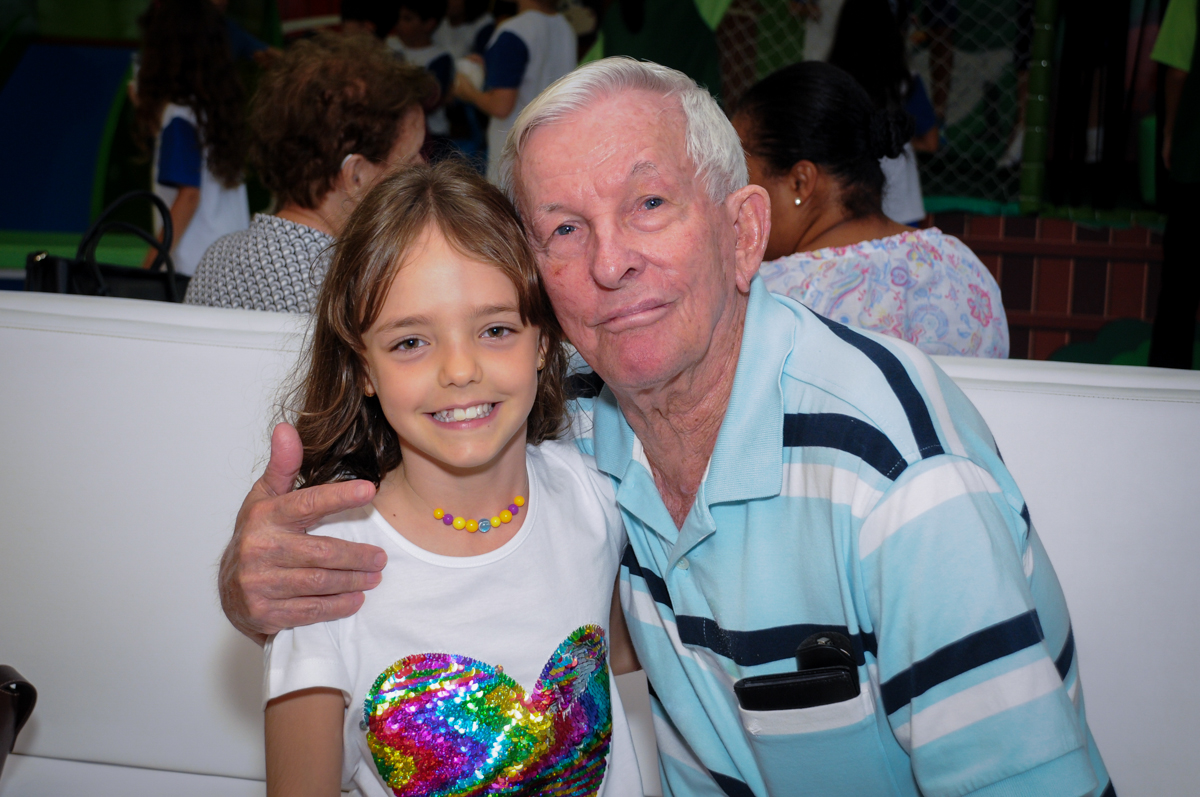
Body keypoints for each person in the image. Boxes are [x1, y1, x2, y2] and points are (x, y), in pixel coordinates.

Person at [220, 58, 1112, 797]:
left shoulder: (898, 481)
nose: (609, 263)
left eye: (650, 205)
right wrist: (255, 579)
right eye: (565, 228)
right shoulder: (586, 440)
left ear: (744, 231)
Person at [261, 160, 642, 797]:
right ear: (362, 367)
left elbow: (628, 696)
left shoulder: (595, 495)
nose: (460, 369)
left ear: (543, 340)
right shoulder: (324, 571)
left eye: (495, 329)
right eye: (411, 342)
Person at [732, 62, 1009, 358]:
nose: (732, 199)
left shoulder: (770, 298)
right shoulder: (963, 267)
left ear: (801, 182)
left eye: (739, 175)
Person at [185, 34, 434, 313]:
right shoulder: (353, 293)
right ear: (356, 176)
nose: (423, 166)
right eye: (411, 155)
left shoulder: (216, 258)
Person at [134, 0, 250, 277]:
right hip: (230, 266)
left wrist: (148, 266)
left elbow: (188, 195)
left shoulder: (179, 117)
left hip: (193, 272)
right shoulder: (213, 112)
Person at [827, 0, 937, 226]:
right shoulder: (907, 83)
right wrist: (891, 136)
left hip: (843, 202)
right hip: (901, 205)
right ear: (892, 34)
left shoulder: (831, 83)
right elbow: (931, 142)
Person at [451, 0, 575, 182]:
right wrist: (491, 68)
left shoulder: (514, 30)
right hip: (556, 149)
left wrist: (467, 92)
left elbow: (501, 106)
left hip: (514, 153)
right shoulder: (565, 28)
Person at [1149, 0, 1200, 369]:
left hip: (1197, 160)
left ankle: (1167, 388)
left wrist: (1170, 130)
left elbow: (1177, 71)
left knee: (1181, 288)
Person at [390, 0, 455, 141]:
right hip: (394, 131)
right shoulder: (390, 46)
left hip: (432, 134)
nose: (399, 23)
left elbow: (430, 101)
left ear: (429, 24)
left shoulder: (440, 57)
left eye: (407, 19)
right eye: (398, 17)